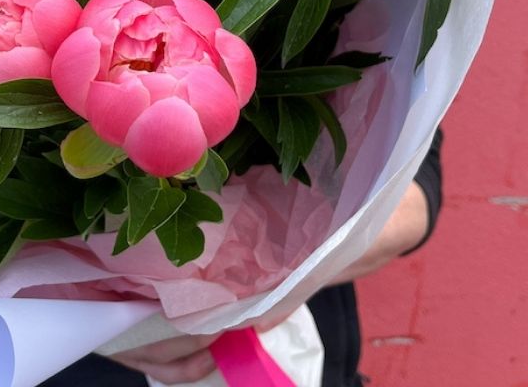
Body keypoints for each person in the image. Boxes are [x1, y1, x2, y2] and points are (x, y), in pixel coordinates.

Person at [40, 131, 443, 387]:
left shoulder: (365, 9)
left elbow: (416, 197)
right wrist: (89, 325)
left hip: (295, 363)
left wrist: (258, 273)